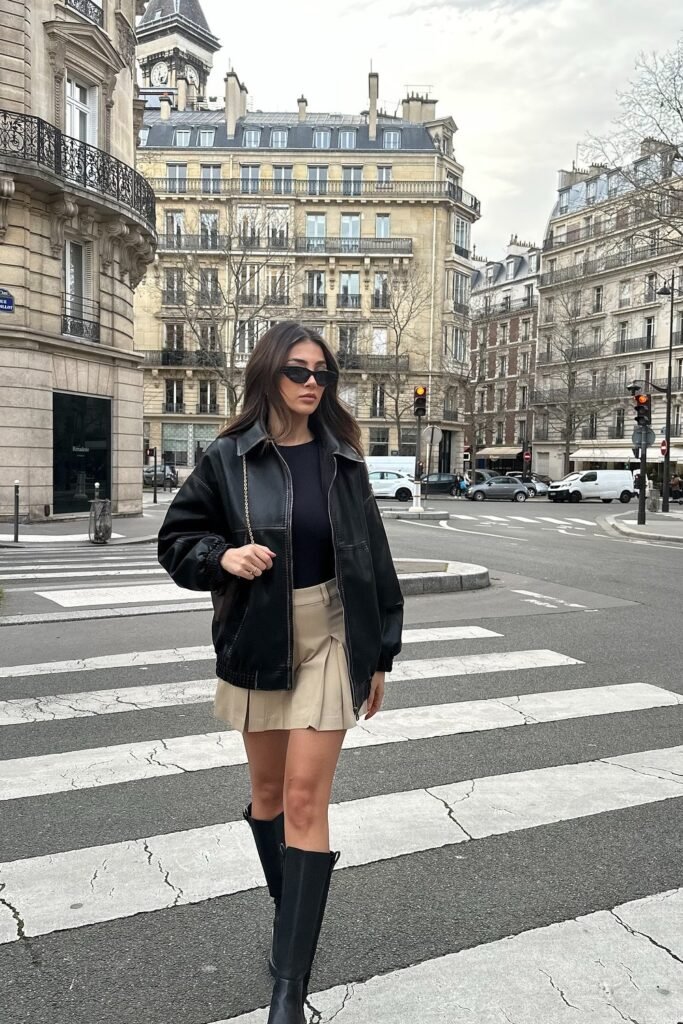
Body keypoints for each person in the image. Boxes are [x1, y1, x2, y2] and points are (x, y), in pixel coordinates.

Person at [158, 322, 403, 1024]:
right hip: (259, 633)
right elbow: (177, 541)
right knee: (266, 792)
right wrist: (221, 558)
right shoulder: (227, 457)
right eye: (298, 371)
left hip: (330, 632)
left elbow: (371, 562)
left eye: (323, 374)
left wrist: (379, 651)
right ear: (268, 373)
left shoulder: (342, 460)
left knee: (303, 797)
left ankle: (288, 987)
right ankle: (289, 911)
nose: (311, 384)